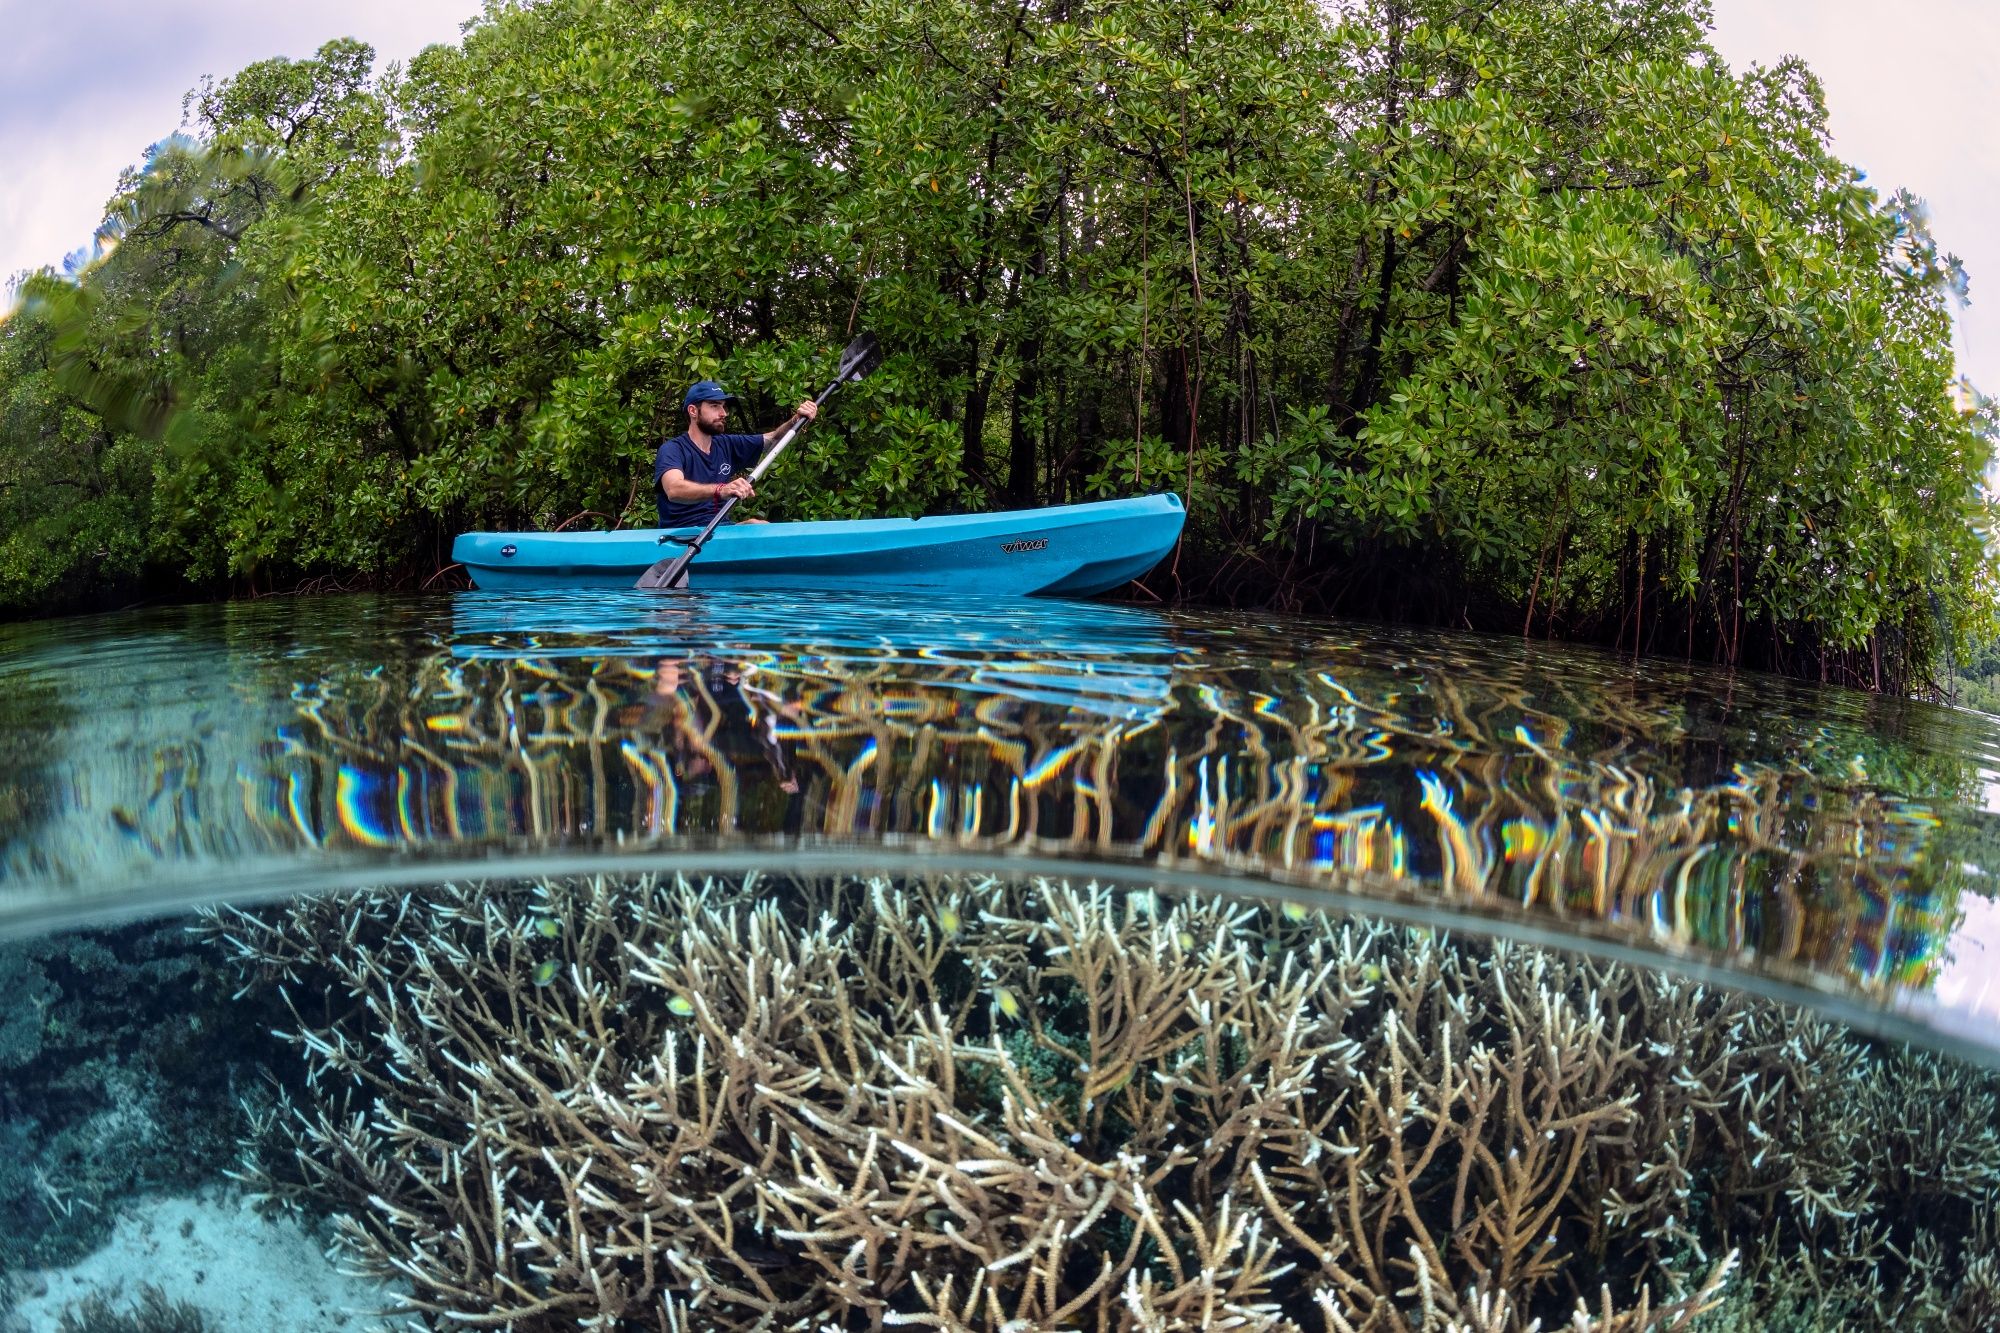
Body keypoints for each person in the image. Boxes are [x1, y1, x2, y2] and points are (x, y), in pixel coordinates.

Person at [654, 380, 818, 528]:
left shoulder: (727, 444)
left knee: (759, 527)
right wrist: (721, 490)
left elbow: (774, 438)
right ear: (693, 411)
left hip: (720, 531)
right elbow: (674, 489)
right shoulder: (673, 449)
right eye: (714, 406)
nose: (723, 413)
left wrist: (796, 420)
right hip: (681, 537)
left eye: (723, 406)